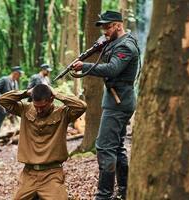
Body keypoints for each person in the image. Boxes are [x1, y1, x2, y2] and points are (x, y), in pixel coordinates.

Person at [72, 10, 140, 200]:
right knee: (117, 147)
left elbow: (112, 68)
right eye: (103, 28)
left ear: (118, 25)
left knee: (104, 147)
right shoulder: (116, 43)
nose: (105, 31)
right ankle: (125, 191)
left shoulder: (126, 46)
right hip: (116, 100)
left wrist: (84, 66)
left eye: (108, 27)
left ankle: (104, 196)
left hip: (119, 102)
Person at [0, 84, 87, 199]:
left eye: (43, 107)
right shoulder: (25, 109)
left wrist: (57, 94)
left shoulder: (63, 113)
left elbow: (81, 106)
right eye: (36, 106)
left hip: (52, 174)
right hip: (28, 174)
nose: (39, 110)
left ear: (51, 100)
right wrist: (25, 93)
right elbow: (2, 100)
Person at [0, 66, 23, 152]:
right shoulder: (4, 79)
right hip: (1, 107)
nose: (20, 76)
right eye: (19, 74)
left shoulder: (15, 82)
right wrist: (1, 98)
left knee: (16, 123)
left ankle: (16, 141)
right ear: (15, 73)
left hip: (10, 108)